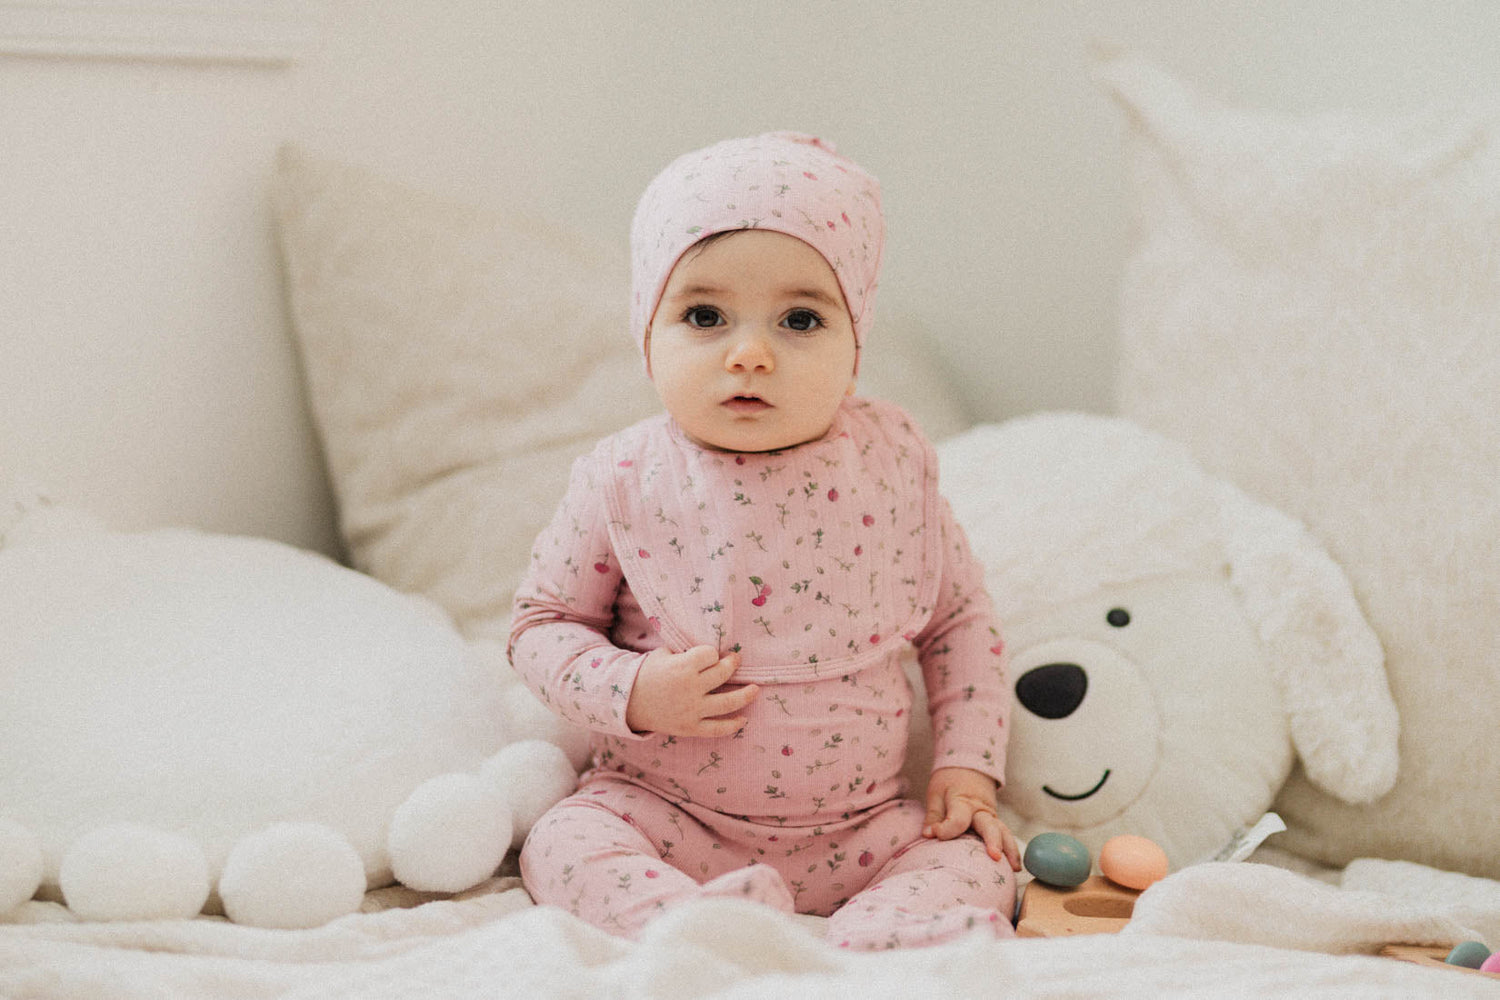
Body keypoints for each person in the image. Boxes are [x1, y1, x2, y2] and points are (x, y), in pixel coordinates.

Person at [508, 132, 1018, 950]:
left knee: (981, 860)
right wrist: (632, 689)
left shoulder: (888, 466)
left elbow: (960, 625)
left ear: (856, 348)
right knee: (562, 844)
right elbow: (540, 628)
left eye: (800, 319)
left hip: (857, 831)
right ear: (648, 333)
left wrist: (967, 765)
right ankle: (695, 928)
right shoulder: (625, 478)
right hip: (665, 813)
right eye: (704, 315)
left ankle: (862, 944)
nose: (750, 353)